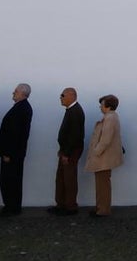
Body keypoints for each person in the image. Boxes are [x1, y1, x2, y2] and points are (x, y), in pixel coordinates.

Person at [0, 83, 33, 218]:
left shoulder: (21, 108)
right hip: (14, 153)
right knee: (11, 180)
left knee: (9, 180)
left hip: (12, 154)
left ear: (22, 93)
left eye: (15, 91)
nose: (13, 93)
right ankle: (12, 206)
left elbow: (15, 133)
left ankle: (11, 207)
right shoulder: (22, 107)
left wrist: (8, 153)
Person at [84, 94, 124, 218]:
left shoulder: (110, 118)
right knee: (102, 183)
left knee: (103, 184)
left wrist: (96, 152)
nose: (100, 107)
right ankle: (100, 207)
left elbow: (106, 140)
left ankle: (103, 210)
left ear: (108, 106)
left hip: (104, 158)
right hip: (104, 157)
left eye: (102, 104)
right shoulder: (111, 117)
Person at [50, 87, 85, 216]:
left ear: (72, 95)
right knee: (61, 178)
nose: (60, 97)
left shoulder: (75, 111)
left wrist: (67, 153)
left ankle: (70, 206)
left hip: (70, 151)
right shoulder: (71, 110)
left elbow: (75, 135)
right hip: (66, 150)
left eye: (62, 95)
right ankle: (61, 204)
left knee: (68, 178)